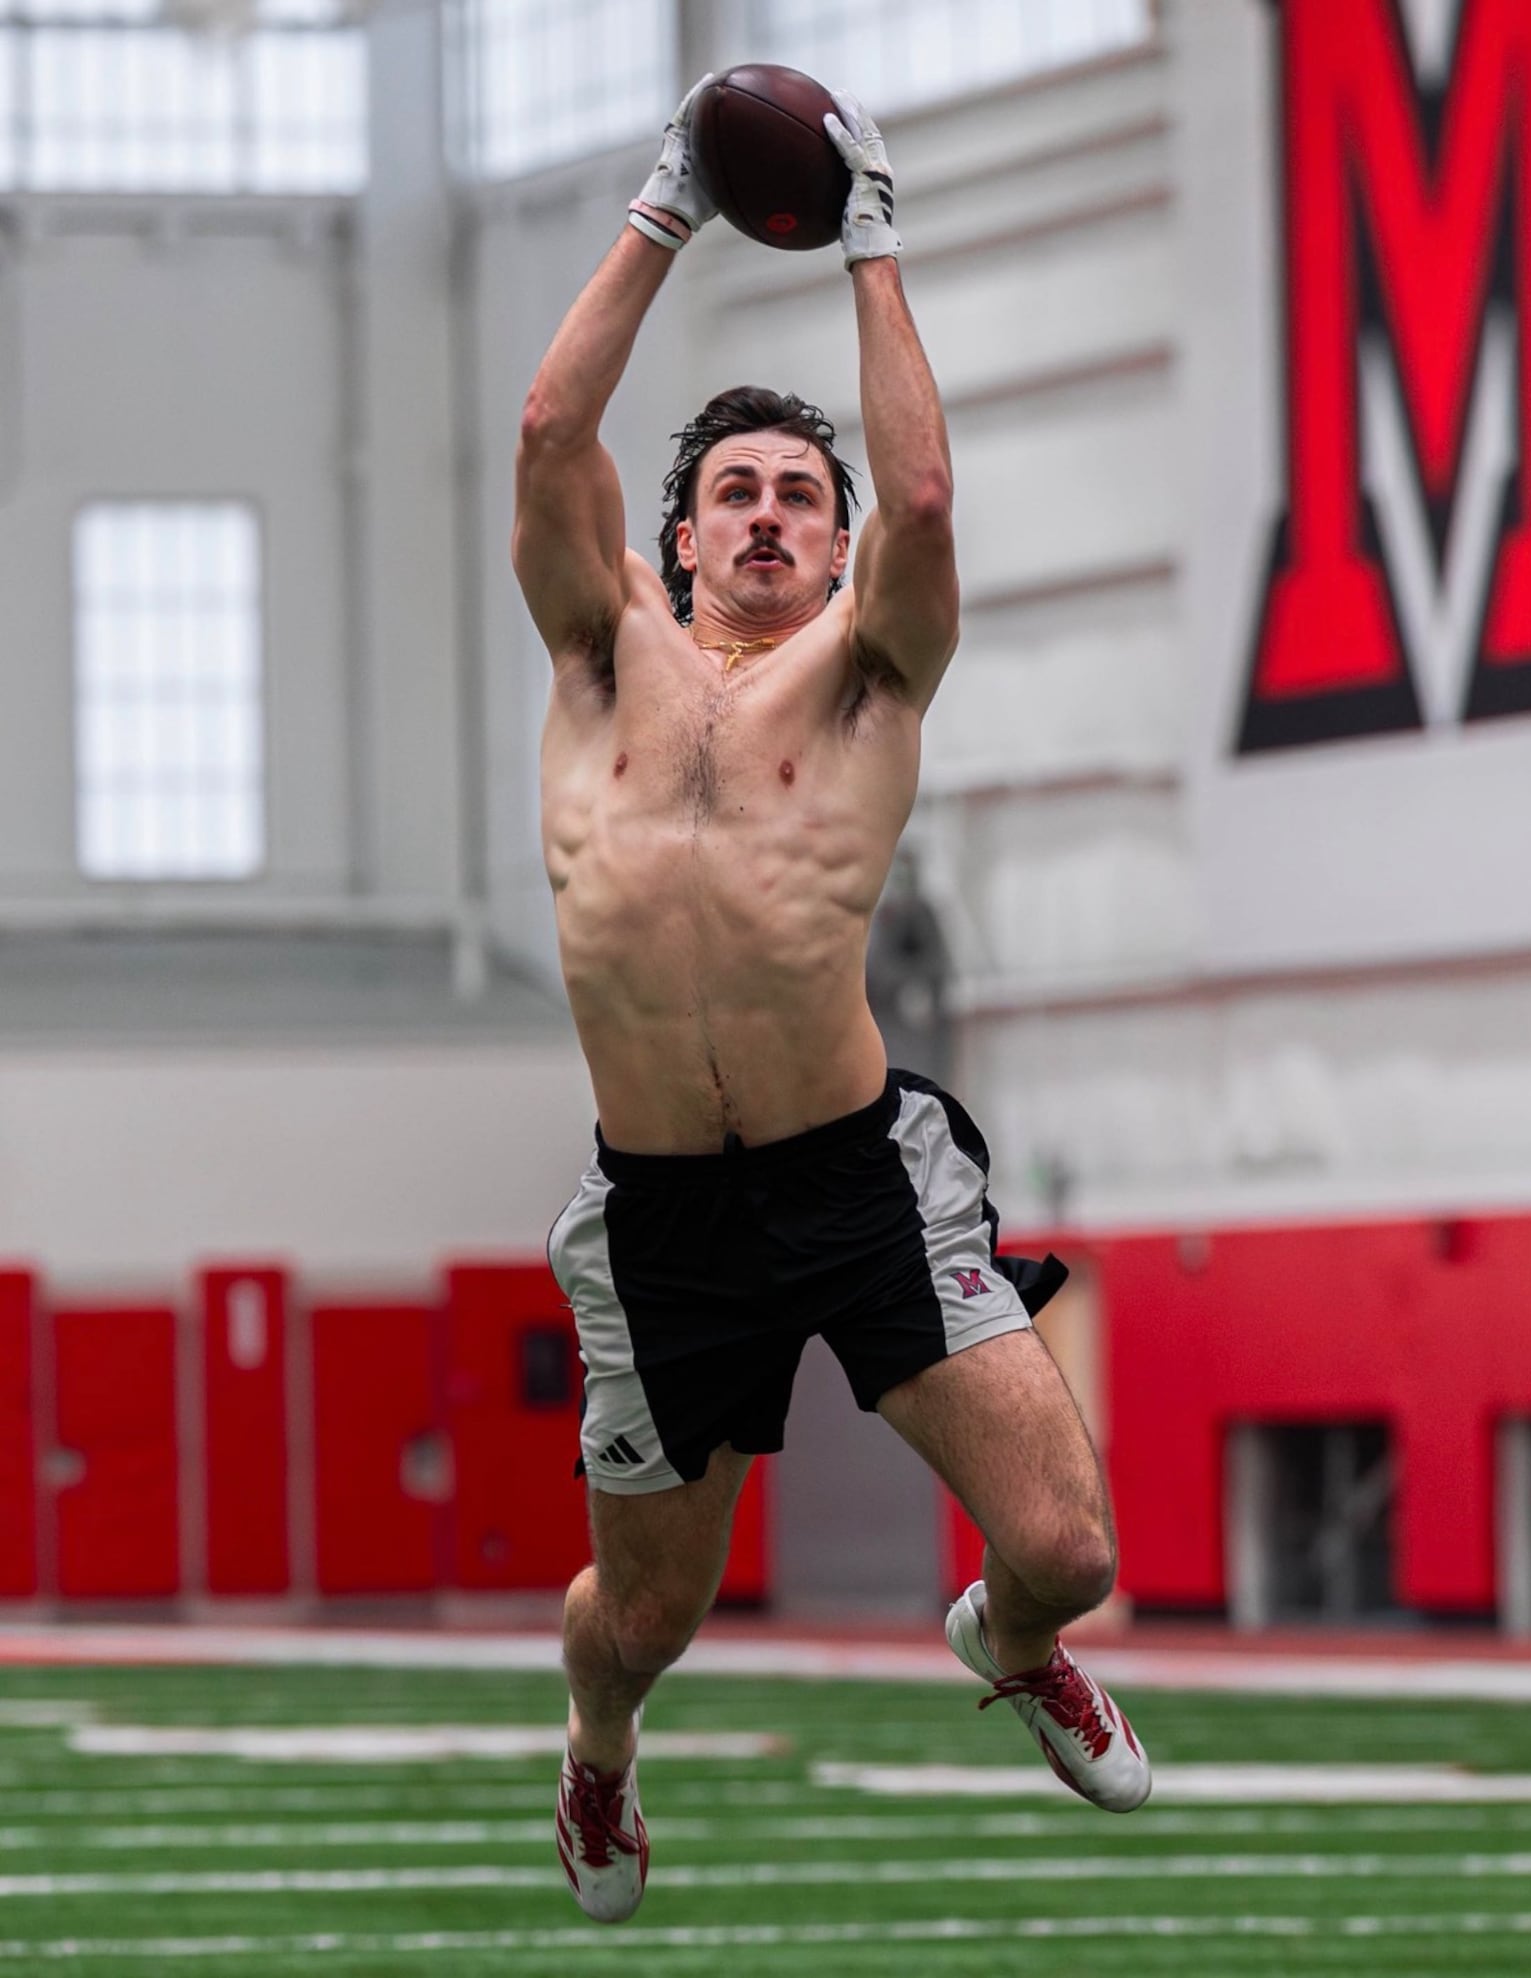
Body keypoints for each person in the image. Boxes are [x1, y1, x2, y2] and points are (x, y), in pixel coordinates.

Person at [514, 78, 1151, 1925]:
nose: (775, 515)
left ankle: (1007, 1642)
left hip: (859, 1172)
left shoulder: (871, 678)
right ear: (682, 539)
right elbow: (555, 422)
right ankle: (599, 1760)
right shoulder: (596, 656)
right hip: (659, 1214)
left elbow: (928, 493)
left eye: (805, 494)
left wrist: (871, 241)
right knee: (646, 1619)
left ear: (837, 543)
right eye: (740, 493)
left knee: (1065, 1542)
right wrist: (666, 207)